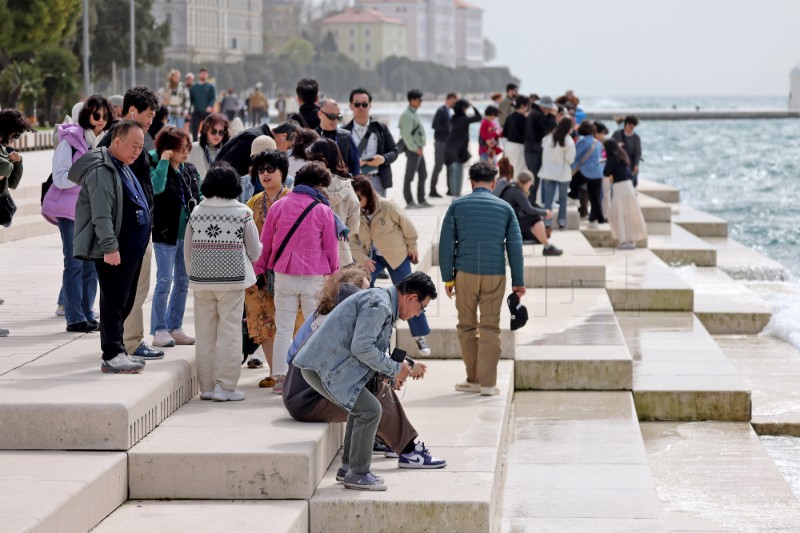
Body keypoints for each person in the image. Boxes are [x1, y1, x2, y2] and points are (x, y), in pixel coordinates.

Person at [283, 267, 446, 475]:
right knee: (371, 409)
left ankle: (349, 468)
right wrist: (395, 369)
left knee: (365, 402)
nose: (418, 315)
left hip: (320, 373)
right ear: (412, 297)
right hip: (313, 382)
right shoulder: (379, 305)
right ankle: (362, 471)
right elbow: (362, 348)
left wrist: (392, 372)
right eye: (422, 308)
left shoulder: (381, 302)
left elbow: (366, 351)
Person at [69, 120, 151, 373]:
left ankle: (119, 350)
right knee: (114, 302)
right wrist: (109, 247)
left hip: (132, 249)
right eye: (133, 145)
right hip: (116, 250)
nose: (138, 151)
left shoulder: (123, 166)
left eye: (141, 146)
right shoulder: (102, 170)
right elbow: (102, 214)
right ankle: (112, 354)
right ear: (117, 142)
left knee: (124, 302)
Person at [253, 162, 340, 394]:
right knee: (314, 327)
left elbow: (266, 244)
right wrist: (334, 275)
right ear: (318, 185)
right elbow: (331, 248)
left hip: (284, 275)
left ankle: (280, 378)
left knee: (283, 328)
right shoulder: (323, 210)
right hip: (314, 276)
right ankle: (310, 378)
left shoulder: (279, 206)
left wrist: (259, 269)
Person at [439, 162, 525, 396]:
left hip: (465, 273)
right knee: (490, 327)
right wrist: (518, 282)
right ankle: (488, 384)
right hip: (495, 274)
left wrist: (448, 278)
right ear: (494, 183)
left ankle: (473, 379)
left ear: (471, 182)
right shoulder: (505, 208)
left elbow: (446, 244)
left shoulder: (457, 206)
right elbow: (515, 247)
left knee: (466, 325)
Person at [97, 86, 164, 362]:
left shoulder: (136, 141)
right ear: (133, 111)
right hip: (121, 237)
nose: (151, 121)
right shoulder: (113, 145)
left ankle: (124, 345)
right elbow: (103, 201)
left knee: (134, 290)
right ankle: (126, 345)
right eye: (149, 115)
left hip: (137, 232)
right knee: (120, 296)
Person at [184, 162, 262, 401]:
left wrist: (195, 272)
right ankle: (226, 387)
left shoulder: (196, 212)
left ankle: (206, 387)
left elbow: (187, 251)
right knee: (230, 333)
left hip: (202, 281)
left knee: (205, 334)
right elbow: (255, 251)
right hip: (233, 282)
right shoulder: (242, 213)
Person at [43, 95, 114, 333]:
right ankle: (74, 317)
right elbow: (60, 178)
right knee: (73, 264)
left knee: (92, 265)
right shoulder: (70, 142)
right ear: (86, 115)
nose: (101, 120)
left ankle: (87, 312)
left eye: (105, 116)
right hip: (70, 211)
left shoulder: (105, 142)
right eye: (96, 115)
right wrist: (90, 181)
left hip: (94, 211)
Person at [351, 176, 431, 356]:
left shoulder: (387, 206)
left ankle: (420, 336)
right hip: (372, 258)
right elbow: (352, 240)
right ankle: (368, 329)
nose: (356, 202)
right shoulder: (355, 212)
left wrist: (413, 248)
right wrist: (363, 259)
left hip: (397, 255)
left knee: (410, 292)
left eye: (359, 197)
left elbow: (409, 228)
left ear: (368, 195)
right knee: (362, 287)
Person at [149, 126, 201, 348]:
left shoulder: (188, 169)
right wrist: (162, 161)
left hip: (187, 234)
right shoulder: (156, 166)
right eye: (181, 148)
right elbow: (156, 188)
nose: (186, 152)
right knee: (164, 281)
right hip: (165, 233)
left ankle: (175, 326)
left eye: (187, 147)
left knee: (183, 281)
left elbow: (197, 196)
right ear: (169, 150)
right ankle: (159, 330)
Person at [243, 150, 292, 376]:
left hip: (288, 272)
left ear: (283, 172)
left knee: (291, 323)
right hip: (259, 275)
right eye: (261, 170)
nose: (265, 173)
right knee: (262, 323)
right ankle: (275, 373)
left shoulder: (293, 200)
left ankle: (291, 375)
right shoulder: (251, 203)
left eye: (271, 169)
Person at [0, 109, 32, 338]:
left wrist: (16, 161)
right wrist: (9, 162)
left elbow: (12, 182)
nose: (14, 140)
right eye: (14, 134)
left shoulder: (4, 149)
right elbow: (2, 169)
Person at [306, 138, 360, 266]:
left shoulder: (305, 185)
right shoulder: (346, 186)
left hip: (310, 252)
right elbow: (354, 223)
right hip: (340, 253)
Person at [343, 87, 399, 198]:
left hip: (377, 179)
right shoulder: (343, 132)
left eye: (364, 104)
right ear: (350, 106)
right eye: (357, 104)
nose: (361, 107)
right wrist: (353, 163)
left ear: (370, 106)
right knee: (355, 214)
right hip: (353, 180)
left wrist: (382, 159)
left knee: (378, 213)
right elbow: (338, 159)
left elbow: (394, 151)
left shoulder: (381, 128)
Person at [495, 170, 563, 256]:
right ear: (528, 182)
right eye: (531, 184)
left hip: (503, 224)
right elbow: (529, 209)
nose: (530, 186)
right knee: (535, 217)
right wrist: (545, 212)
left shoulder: (512, 188)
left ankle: (545, 245)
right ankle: (547, 247)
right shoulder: (517, 192)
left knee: (532, 218)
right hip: (506, 227)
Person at [603, 140, 647, 250]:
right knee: (628, 213)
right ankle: (631, 240)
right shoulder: (622, 156)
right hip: (628, 186)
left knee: (617, 213)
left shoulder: (612, 159)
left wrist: (605, 162)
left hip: (620, 188)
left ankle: (623, 240)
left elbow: (606, 173)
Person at [540, 117, 576, 230]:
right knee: (563, 199)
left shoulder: (547, 138)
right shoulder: (568, 140)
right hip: (563, 173)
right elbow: (570, 159)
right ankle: (561, 221)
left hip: (548, 172)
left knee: (548, 199)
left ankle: (547, 222)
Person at [398, 89, 428, 209]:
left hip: (418, 149)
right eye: (419, 100)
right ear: (412, 100)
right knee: (409, 176)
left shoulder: (413, 113)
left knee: (423, 174)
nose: (421, 102)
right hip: (413, 150)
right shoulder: (407, 115)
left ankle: (421, 199)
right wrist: (415, 148)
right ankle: (409, 201)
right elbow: (406, 135)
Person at [445, 99, 482, 198]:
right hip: (459, 150)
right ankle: (456, 195)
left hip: (449, 148)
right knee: (458, 173)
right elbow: (479, 117)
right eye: (466, 108)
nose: (466, 110)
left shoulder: (453, 118)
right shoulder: (464, 119)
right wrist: (473, 106)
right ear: (462, 109)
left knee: (453, 173)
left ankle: (454, 194)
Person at [572, 121, 605, 227]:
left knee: (573, 181)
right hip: (598, 173)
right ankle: (595, 219)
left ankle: (573, 196)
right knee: (595, 198)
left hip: (585, 172)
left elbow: (575, 155)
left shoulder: (583, 141)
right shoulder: (598, 143)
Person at [524, 96, 558, 201]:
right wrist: (552, 115)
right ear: (544, 107)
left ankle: (531, 201)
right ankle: (531, 201)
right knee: (534, 178)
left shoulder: (534, 114)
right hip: (534, 150)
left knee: (533, 177)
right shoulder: (538, 115)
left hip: (530, 149)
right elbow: (550, 126)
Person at [315, 98, 359, 177]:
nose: (335, 120)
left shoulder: (346, 137)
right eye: (331, 116)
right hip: (318, 186)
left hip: (343, 186)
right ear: (320, 115)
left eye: (338, 116)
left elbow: (355, 166)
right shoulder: (311, 137)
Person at [187, 113, 229, 179]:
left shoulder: (227, 151)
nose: (217, 135)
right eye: (213, 131)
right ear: (205, 130)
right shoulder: (193, 148)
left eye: (221, 132)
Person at [430, 92, 456, 197]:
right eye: (455, 100)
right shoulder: (441, 110)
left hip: (447, 142)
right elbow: (434, 125)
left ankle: (450, 189)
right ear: (450, 99)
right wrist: (447, 129)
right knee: (438, 166)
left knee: (450, 166)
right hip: (440, 142)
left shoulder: (449, 111)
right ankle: (432, 190)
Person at [502, 95, 529, 178]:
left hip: (509, 145)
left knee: (510, 169)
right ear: (522, 106)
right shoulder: (523, 119)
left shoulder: (509, 117)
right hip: (519, 146)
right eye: (527, 105)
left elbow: (504, 133)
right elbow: (527, 135)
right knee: (519, 170)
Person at [611, 115, 642, 187]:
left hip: (630, 163)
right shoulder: (617, 134)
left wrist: (636, 165)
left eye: (633, 126)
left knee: (631, 184)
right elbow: (609, 147)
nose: (631, 128)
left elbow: (638, 153)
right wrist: (617, 146)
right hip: (618, 162)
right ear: (626, 124)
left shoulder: (636, 138)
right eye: (630, 125)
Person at [189, 68, 217, 141]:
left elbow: (213, 98)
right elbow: (190, 100)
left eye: (205, 74)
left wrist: (210, 106)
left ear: (207, 75)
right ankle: (195, 143)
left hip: (206, 112)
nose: (203, 75)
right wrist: (189, 111)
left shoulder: (210, 87)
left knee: (207, 129)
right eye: (202, 74)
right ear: (199, 74)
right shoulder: (194, 87)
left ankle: (206, 142)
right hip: (196, 111)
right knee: (194, 129)